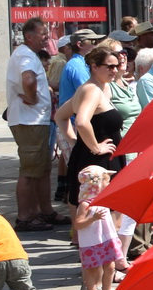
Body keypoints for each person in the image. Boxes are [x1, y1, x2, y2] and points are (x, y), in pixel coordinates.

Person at [5, 17, 61, 232]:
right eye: (43, 34)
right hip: (29, 121)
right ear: (29, 36)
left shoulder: (28, 54)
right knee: (30, 171)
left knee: (41, 169)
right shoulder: (25, 55)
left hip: (35, 120)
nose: (47, 37)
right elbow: (28, 80)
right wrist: (33, 98)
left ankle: (44, 211)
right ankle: (25, 217)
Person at [54, 47, 127, 209]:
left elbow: (60, 116)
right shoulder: (92, 90)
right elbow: (81, 121)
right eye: (110, 67)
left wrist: (76, 142)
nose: (115, 70)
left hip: (97, 157)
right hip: (98, 162)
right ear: (94, 66)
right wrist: (95, 148)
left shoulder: (94, 88)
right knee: (104, 213)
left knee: (99, 213)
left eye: (116, 66)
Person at [71, 165, 124, 290]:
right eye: (106, 181)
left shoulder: (102, 200)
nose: (109, 183)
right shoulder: (85, 205)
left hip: (107, 239)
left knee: (110, 266)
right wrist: (92, 218)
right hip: (91, 242)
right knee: (92, 269)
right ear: (96, 184)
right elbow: (78, 224)